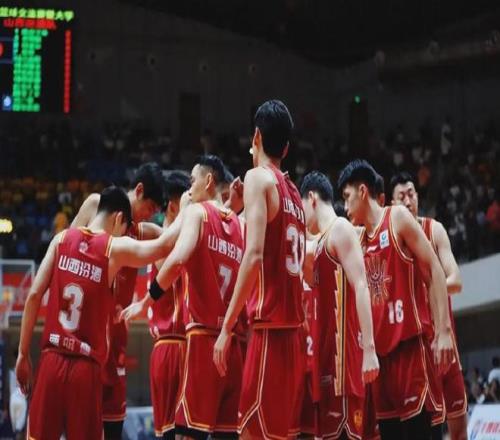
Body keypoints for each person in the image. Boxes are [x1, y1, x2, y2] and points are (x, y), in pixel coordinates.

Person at [15, 187, 174, 440]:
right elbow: (162, 247)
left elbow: (34, 295)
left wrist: (23, 354)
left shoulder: (61, 239)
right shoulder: (113, 248)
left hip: (51, 360)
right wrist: (192, 215)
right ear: (119, 218)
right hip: (85, 369)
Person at [123, 155, 244, 439]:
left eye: (193, 181)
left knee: (185, 435)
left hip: (198, 342)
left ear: (208, 181)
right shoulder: (240, 225)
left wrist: (145, 301)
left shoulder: (195, 215)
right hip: (231, 344)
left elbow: (175, 257)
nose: (190, 189)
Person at [338, 159, 454, 440]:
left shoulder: (397, 218)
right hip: (381, 362)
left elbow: (434, 270)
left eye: (347, 197)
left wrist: (443, 330)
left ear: (363, 191)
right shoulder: (358, 240)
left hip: (410, 350)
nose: (345, 206)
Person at [213, 100, 306, 439]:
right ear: (286, 148)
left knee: (251, 434)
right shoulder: (294, 194)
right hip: (293, 337)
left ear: (256, 136)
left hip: (269, 333)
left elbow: (253, 256)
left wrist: (226, 327)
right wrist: (234, 209)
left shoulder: (257, 179)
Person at [71, 162, 164, 439]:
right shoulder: (96, 205)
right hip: (86, 337)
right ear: (138, 190)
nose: (149, 215)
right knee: (82, 427)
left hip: (115, 343)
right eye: (149, 208)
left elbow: (173, 239)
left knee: (112, 428)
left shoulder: (141, 231)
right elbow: (66, 249)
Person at [300, 171, 380, 439]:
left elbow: (362, 285)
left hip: (343, 371)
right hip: (324, 370)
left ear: (311, 198)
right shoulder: (320, 242)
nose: (301, 216)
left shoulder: (340, 229)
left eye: (301, 206)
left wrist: (369, 349)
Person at [391, 171, 467, 440]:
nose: (408, 200)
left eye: (411, 194)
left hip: (444, 345)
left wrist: (428, 287)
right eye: (401, 196)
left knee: (459, 431)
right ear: (391, 204)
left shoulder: (434, 230)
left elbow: (455, 281)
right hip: (416, 354)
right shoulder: (390, 240)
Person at [147, 170, 190, 439]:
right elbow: (169, 267)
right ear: (176, 206)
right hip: (172, 346)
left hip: (180, 346)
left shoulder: (168, 242)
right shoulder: (162, 243)